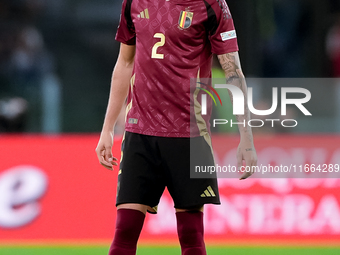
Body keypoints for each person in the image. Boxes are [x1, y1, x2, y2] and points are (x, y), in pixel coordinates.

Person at [95, 0, 257, 254]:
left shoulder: (211, 4)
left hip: (189, 134)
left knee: (191, 235)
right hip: (140, 130)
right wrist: (107, 129)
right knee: (125, 229)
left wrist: (246, 138)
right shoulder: (134, 3)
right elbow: (125, 63)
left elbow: (233, 71)